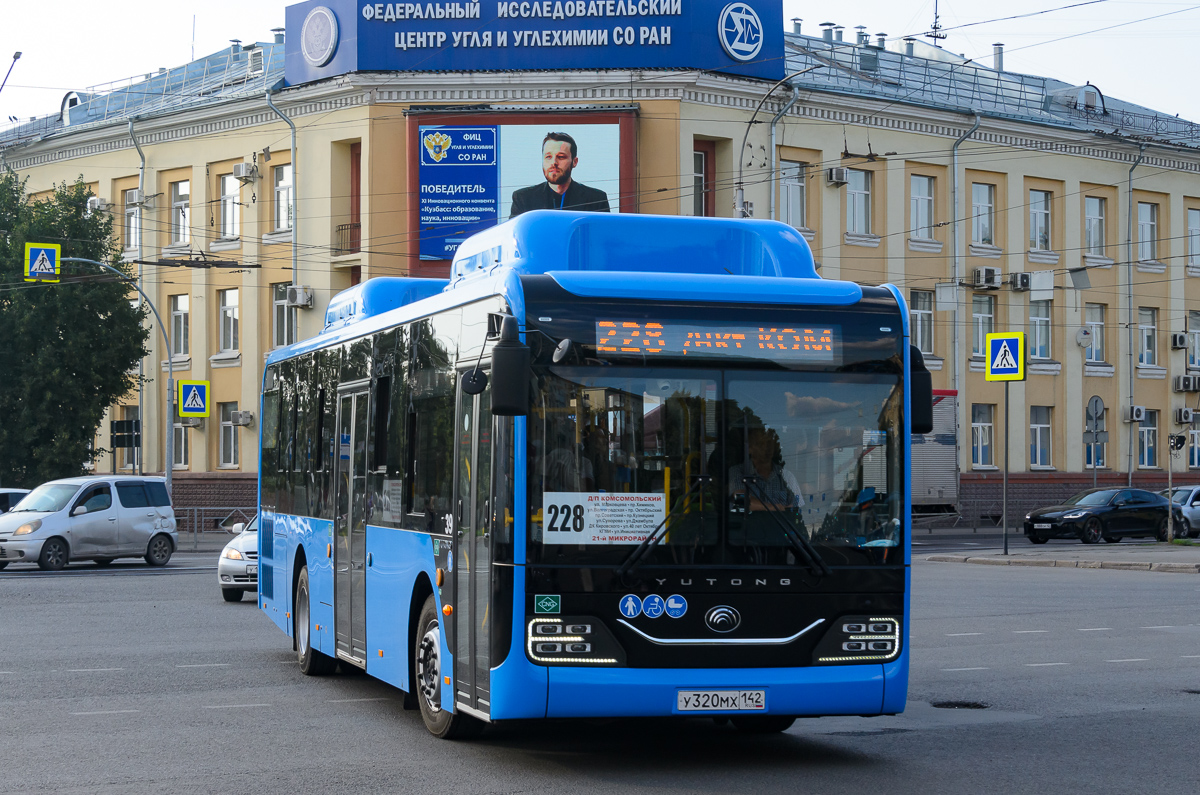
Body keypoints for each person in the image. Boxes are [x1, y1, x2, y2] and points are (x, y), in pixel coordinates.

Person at [510, 132, 610, 217]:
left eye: (561, 157)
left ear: (574, 162)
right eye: (548, 157)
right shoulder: (523, 198)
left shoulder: (597, 199)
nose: (554, 163)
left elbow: (603, 237)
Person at [728, 427, 804, 512]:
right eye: (760, 444)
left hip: (781, 525)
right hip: (749, 525)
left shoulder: (786, 476)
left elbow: (798, 509)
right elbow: (741, 500)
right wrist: (774, 508)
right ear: (749, 448)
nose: (766, 448)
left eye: (769, 443)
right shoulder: (737, 472)